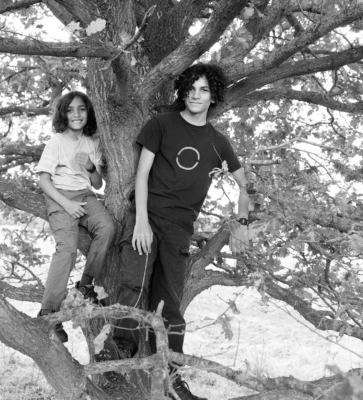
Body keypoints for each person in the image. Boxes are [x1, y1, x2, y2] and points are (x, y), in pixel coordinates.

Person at [99, 64, 250, 400]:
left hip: (180, 230)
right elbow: (141, 175)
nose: (196, 96)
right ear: (183, 91)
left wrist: (241, 224)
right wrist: (139, 221)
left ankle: (172, 379)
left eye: (204, 90)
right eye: (191, 89)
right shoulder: (161, 125)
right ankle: (113, 364)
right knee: (133, 288)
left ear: (213, 97)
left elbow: (244, 185)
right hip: (147, 218)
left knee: (170, 306)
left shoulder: (218, 143)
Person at [35, 91, 116, 343]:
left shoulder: (93, 142)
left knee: (107, 227)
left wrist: (91, 167)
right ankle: (48, 313)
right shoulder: (57, 141)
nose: (76, 114)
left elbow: (98, 183)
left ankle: (86, 284)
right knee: (67, 249)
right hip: (60, 195)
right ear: (63, 114)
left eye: (81, 109)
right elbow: (43, 180)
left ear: (88, 112)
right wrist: (66, 204)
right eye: (70, 110)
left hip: (84, 193)